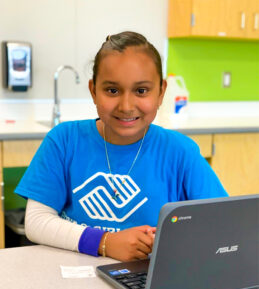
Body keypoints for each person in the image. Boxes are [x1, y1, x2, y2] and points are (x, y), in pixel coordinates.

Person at [15, 31, 228, 262]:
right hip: (74, 275)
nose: (126, 106)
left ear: (161, 92)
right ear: (93, 91)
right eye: (112, 90)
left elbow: (221, 224)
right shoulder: (64, 140)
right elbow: (36, 222)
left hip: (148, 281)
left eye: (141, 91)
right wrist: (105, 242)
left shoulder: (181, 152)